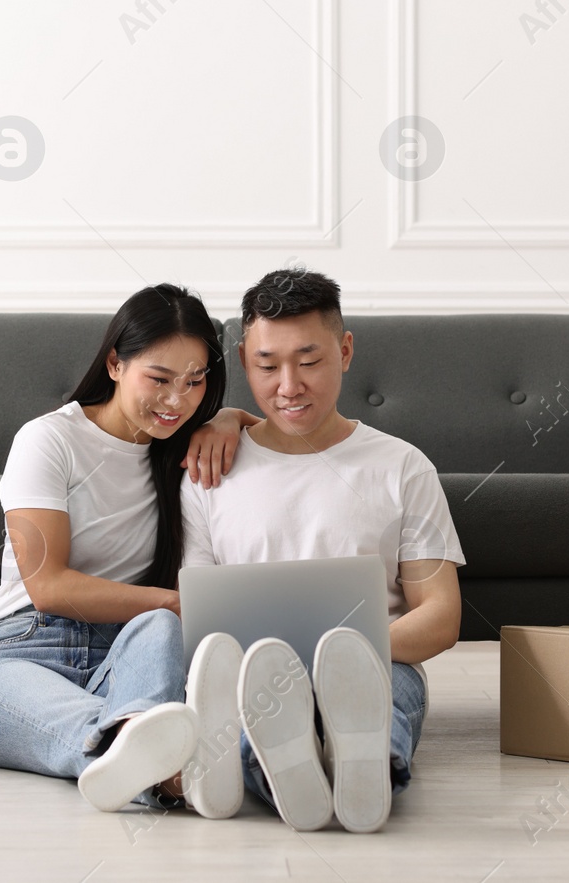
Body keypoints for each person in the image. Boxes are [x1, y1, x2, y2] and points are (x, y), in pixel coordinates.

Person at [179, 268, 465, 832]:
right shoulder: (207, 469)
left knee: (382, 700)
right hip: (253, 679)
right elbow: (198, 616)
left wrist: (329, 664)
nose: (288, 386)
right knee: (251, 715)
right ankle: (305, 770)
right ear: (243, 361)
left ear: (346, 350)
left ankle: (360, 768)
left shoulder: (402, 467)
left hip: (378, 661)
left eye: (309, 362)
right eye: (267, 366)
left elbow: (440, 615)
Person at [0, 283, 247, 813]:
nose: (177, 400)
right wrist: (174, 601)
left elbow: (283, 431)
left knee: (159, 628)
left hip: (130, 656)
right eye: (159, 379)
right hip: (25, 650)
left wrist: (228, 418)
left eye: (195, 382)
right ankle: (163, 761)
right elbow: (47, 587)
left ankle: (146, 754)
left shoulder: (182, 444)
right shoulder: (49, 440)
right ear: (115, 363)